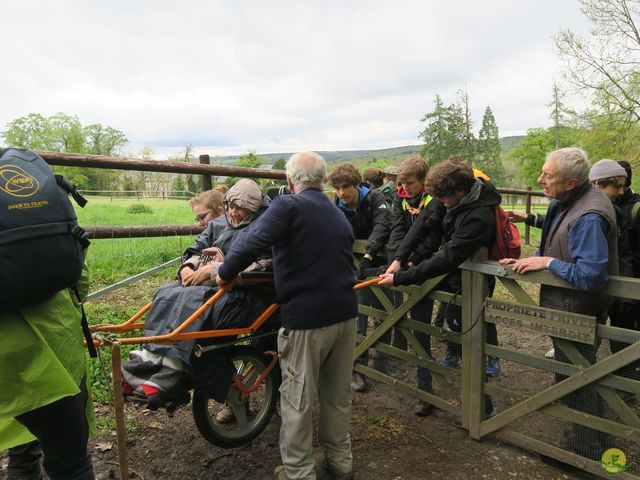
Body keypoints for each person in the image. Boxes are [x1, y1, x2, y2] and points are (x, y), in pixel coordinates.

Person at [216, 152, 358, 480]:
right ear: (322, 180)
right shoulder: (336, 213)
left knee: (297, 400)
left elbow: (253, 240)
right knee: (337, 396)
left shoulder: (287, 205)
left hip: (307, 319)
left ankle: (298, 473)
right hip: (346, 315)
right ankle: (340, 463)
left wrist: (225, 271)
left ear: (290, 180)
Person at [500, 147, 618, 462]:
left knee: (579, 378)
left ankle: (585, 451)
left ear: (570, 182)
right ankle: (591, 437)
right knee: (576, 376)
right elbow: (562, 242)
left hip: (576, 311)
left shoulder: (589, 215)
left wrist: (548, 262)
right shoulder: (570, 201)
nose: (540, 179)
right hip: (567, 308)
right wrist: (533, 261)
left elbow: (591, 276)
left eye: (547, 176)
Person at [121, 179, 272, 410]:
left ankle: (172, 369)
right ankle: (149, 359)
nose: (233, 212)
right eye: (230, 206)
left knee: (193, 300)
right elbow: (197, 249)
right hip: (210, 285)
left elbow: (263, 264)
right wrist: (188, 267)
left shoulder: (264, 227)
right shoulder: (220, 224)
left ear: (252, 207)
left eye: (239, 207)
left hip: (241, 290)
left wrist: (214, 272)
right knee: (167, 292)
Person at [379, 157, 501, 417]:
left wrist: (403, 276)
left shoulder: (479, 216)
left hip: (466, 283)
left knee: (469, 341)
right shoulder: (448, 196)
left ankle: (481, 409)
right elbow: (423, 224)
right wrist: (399, 260)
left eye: (444, 199)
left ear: (459, 192)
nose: (441, 204)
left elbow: (449, 256)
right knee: (438, 330)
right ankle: (429, 391)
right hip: (439, 276)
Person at [0, 267, 96, 480]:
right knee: (71, 464)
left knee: (23, 444)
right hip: (53, 343)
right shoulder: (46, 231)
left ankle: (23, 466)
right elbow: (79, 277)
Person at [385, 155, 446, 415]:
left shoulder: (435, 200)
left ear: (423, 180)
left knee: (421, 329)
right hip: (403, 267)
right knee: (396, 318)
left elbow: (431, 236)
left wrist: (411, 263)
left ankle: (426, 391)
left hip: (426, 269)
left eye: (410, 182)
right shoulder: (402, 198)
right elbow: (398, 230)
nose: (405, 187)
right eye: (401, 182)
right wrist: (394, 261)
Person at [328, 163, 390, 392]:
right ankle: (358, 367)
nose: (342, 192)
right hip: (354, 267)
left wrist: (369, 251)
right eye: (337, 188)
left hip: (380, 263)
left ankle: (383, 359)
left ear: (356, 185)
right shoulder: (337, 207)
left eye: (346, 187)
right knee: (359, 313)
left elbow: (383, 225)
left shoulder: (374, 198)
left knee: (386, 312)